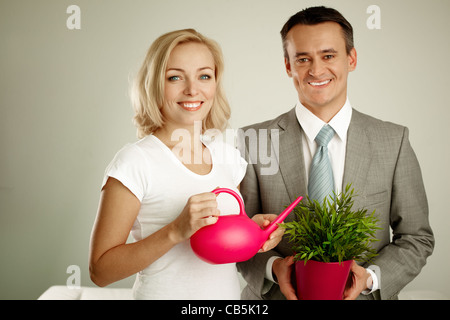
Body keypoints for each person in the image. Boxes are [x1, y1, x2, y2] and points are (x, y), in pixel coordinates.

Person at [237, 6, 434, 300]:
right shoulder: (254, 141)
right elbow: (240, 238)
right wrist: (273, 267)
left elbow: (417, 237)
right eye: (303, 59)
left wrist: (371, 278)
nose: (316, 70)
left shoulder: (393, 141)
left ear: (351, 59)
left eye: (328, 56)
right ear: (288, 66)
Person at [89, 29, 283, 300]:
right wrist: (175, 231)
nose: (193, 89)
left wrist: (254, 233)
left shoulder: (228, 157)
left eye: (204, 76)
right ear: (155, 85)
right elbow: (100, 271)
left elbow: (222, 248)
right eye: (175, 77)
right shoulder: (135, 162)